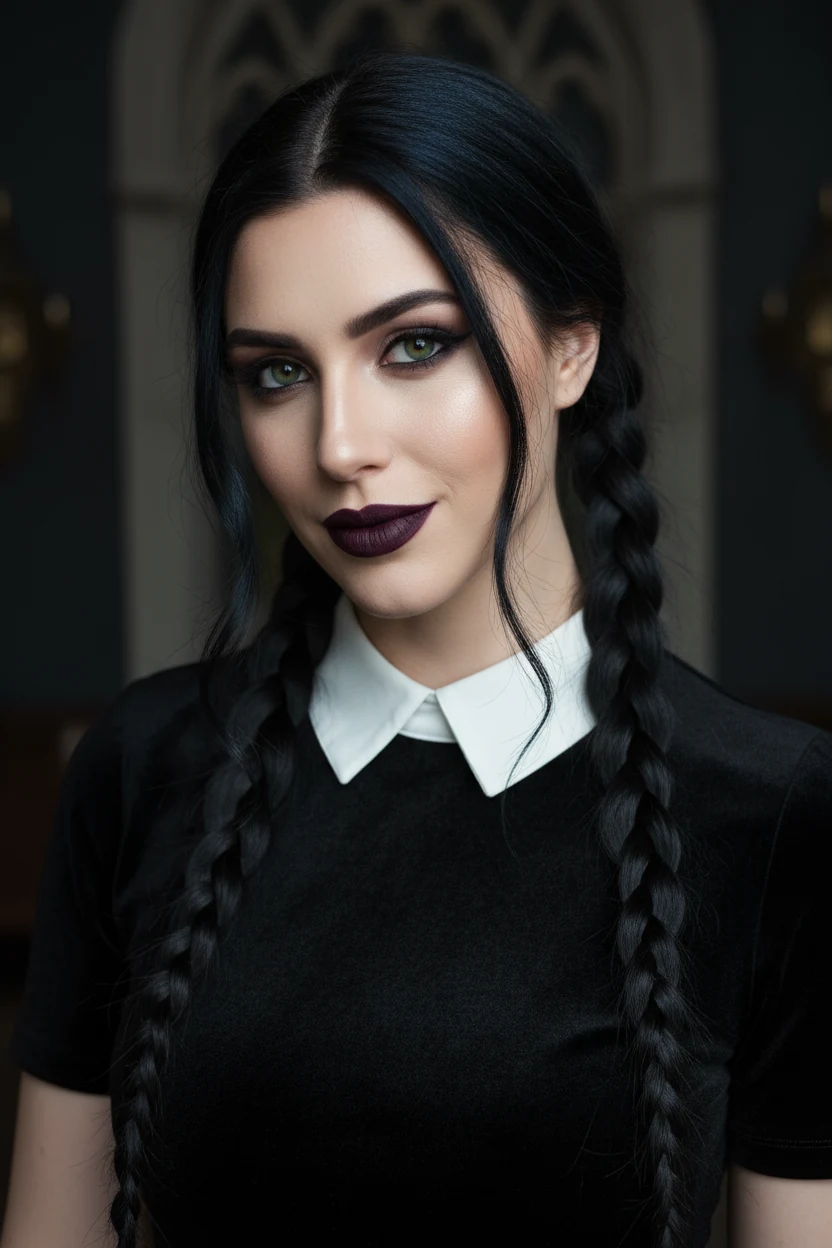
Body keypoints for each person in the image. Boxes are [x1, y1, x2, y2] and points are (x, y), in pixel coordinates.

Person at [3, 48, 831, 1248]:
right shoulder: (142, 769)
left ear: (570, 346)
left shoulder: (767, 811)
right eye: (277, 373)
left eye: (412, 345)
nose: (339, 443)